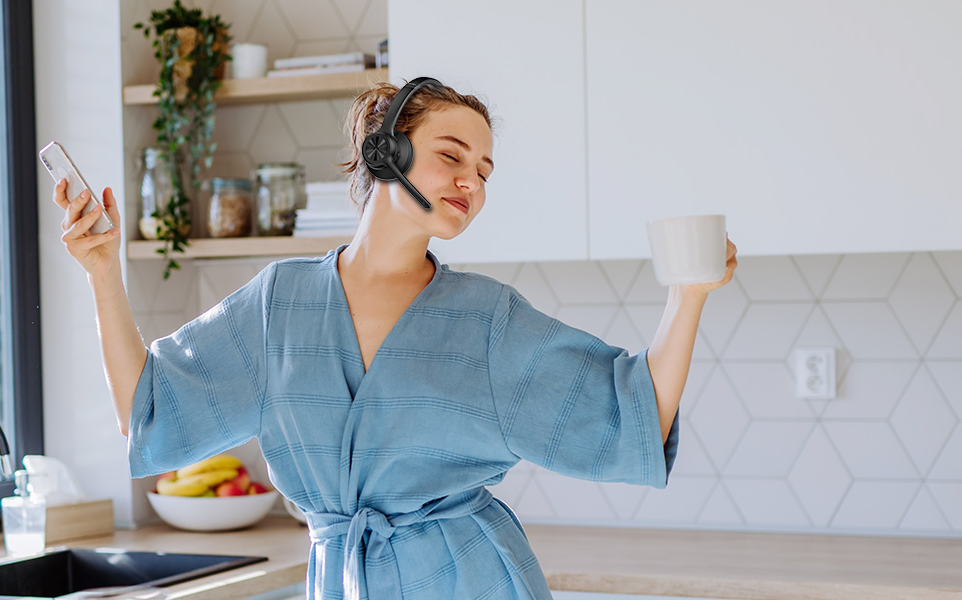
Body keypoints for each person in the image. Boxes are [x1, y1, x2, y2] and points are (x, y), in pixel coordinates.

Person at [52, 79, 739, 600]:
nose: (472, 180)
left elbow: (631, 412)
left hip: (471, 578)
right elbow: (147, 407)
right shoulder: (276, 306)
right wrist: (103, 273)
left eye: (486, 171)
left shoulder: (488, 319)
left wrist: (688, 295)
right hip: (343, 578)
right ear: (384, 151)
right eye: (451, 155)